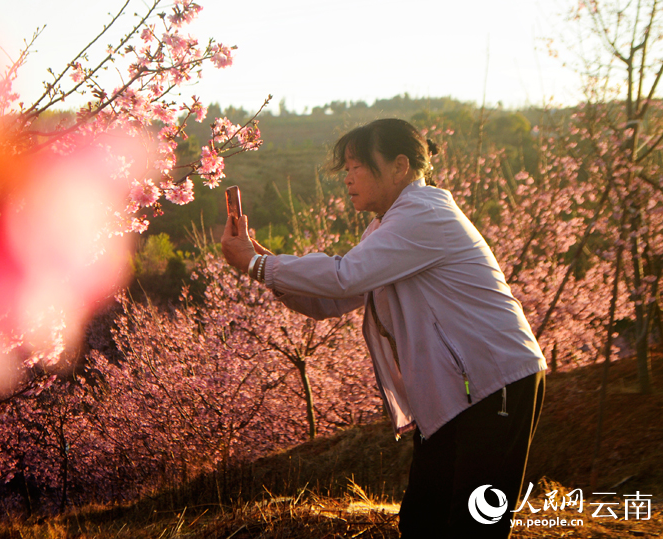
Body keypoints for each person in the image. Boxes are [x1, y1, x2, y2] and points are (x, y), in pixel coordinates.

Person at [220, 118, 546, 538]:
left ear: (399, 166)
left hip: (494, 380)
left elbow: (344, 276)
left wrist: (257, 263)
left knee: (471, 526)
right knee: (422, 522)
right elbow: (332, 299)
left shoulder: (424, 213)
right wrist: (258, 263)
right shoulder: (388, 225)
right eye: (346, 169)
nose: (348, 179)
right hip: (456, 394)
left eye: (357, 166)